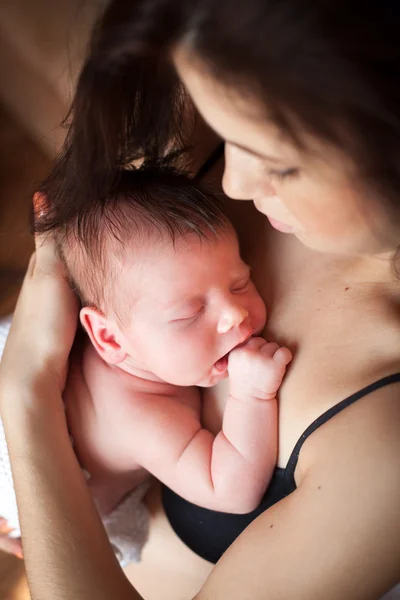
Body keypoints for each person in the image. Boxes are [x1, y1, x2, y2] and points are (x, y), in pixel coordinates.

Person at [1, 0, 400, 598]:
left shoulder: (382, 443)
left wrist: (25, 390)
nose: (231, 185)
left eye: (280, 165)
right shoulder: (243, 86)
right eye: (229, 139)